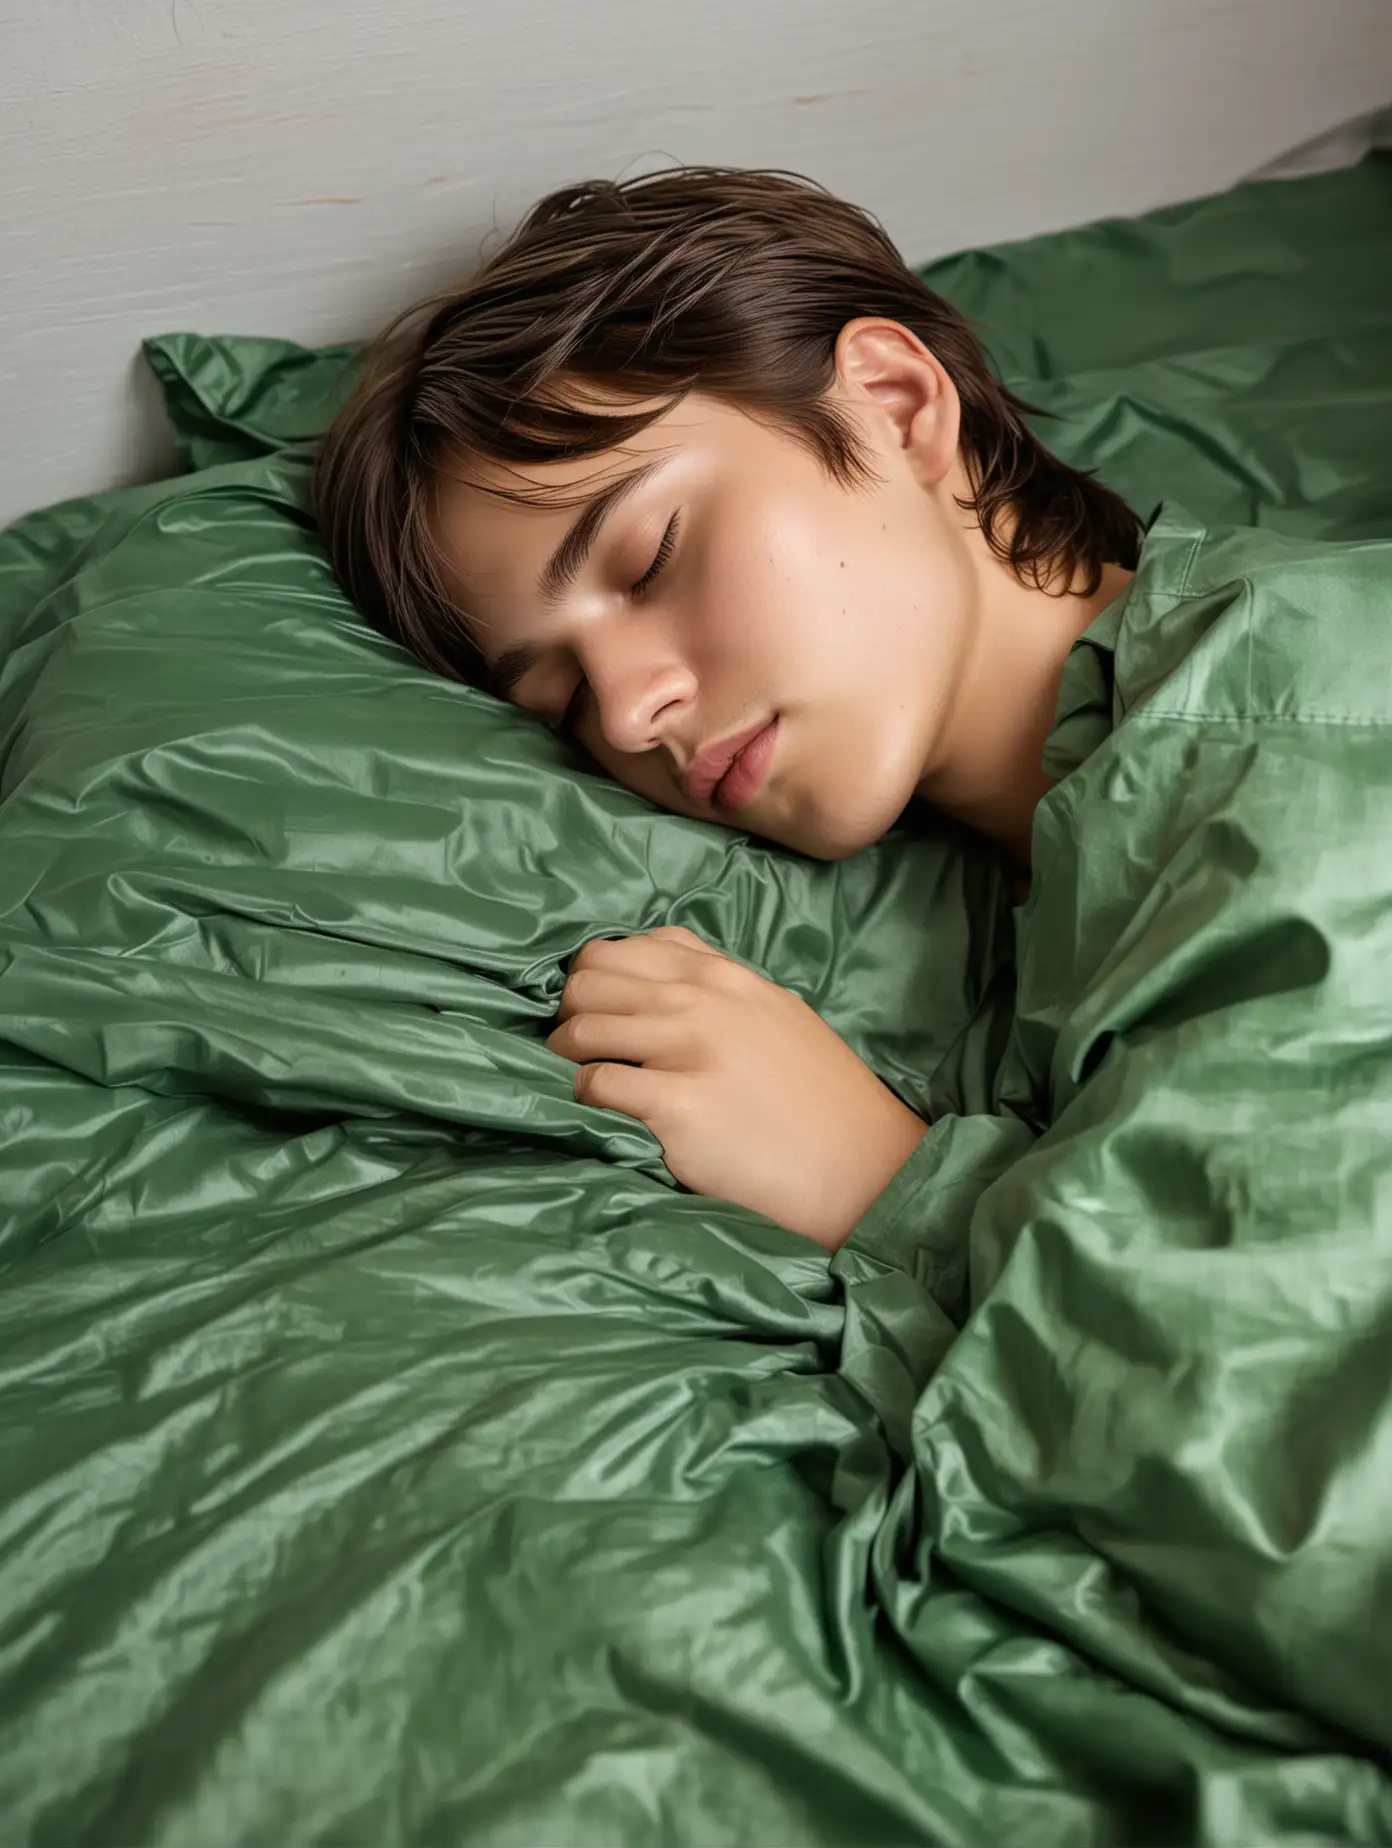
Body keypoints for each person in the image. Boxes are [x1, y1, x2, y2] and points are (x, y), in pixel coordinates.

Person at [313, 164, 1144, 1253]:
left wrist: (884, 1181)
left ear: (894, 403)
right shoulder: (1044, 919)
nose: (625, 715)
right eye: (561, 695)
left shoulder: (1300, 712)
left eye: (650, 558)